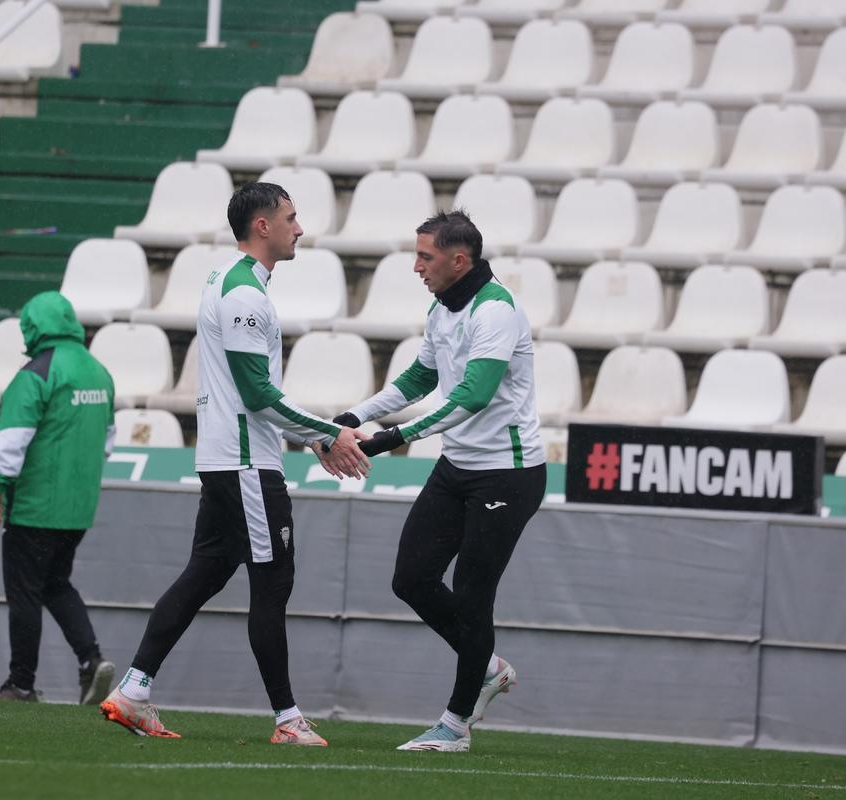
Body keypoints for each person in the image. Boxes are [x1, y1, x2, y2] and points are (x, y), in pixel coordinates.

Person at [99, 182, 371, 745]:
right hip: (247, 465)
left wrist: (310, 441)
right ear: (263, 225)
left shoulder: (227, 281)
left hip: (228, 458)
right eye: (292, 218)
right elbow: (256, 392)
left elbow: (253, 390)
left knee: (204, 574)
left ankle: (132, 691)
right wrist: (327, 434)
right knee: (273, 582)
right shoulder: (245, 294)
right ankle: (287, 720)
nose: (300, 228)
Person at [333, 210, 546, 753]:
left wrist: (388, 439)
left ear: (459, 260)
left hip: (508, 473)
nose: (416, 266)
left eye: (425, 256)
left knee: (475, 600)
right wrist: (353, 418)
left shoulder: (495, 309)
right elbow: (419, 378)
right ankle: (489, 667)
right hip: (459, 468)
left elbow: (471, 395)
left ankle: (454, 727)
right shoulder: (443, 305)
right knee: (411, 579)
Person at [0, 290, 117, 705]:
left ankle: (21, 683)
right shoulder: (99, 373)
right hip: (78, 507)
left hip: (36, 505)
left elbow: (12, 440)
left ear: (32, 327)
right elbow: (107, 442)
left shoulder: (35, 374)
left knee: (24, 592)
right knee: (55, 583)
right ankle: (91, 661)